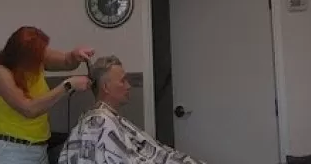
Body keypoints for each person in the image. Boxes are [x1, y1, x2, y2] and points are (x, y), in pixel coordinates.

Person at [59, 56, 205, 164]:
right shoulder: (98, 124)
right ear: (106, 87)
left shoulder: (107, 119)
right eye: (123, 81)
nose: (128, 86)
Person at [0, 26, 95, 164]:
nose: (43, 57)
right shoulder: (1, 73)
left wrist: (75, 55)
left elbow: (66, 61)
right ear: (24, 55)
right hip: (11, 152)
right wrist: (68, 85)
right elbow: (29, 109)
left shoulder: (36, 59)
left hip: (40, 150)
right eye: (39, 54)